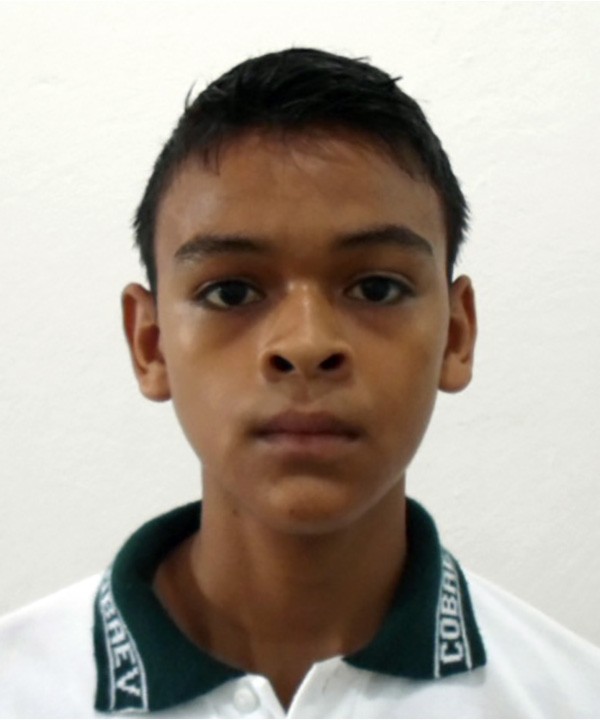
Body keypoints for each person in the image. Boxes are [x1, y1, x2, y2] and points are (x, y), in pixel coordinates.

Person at [1, 47, 599, 719]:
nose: (306, 345)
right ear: (151, 343)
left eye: (377, 287)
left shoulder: (572, 698)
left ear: (456, 335)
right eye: (231, 292)